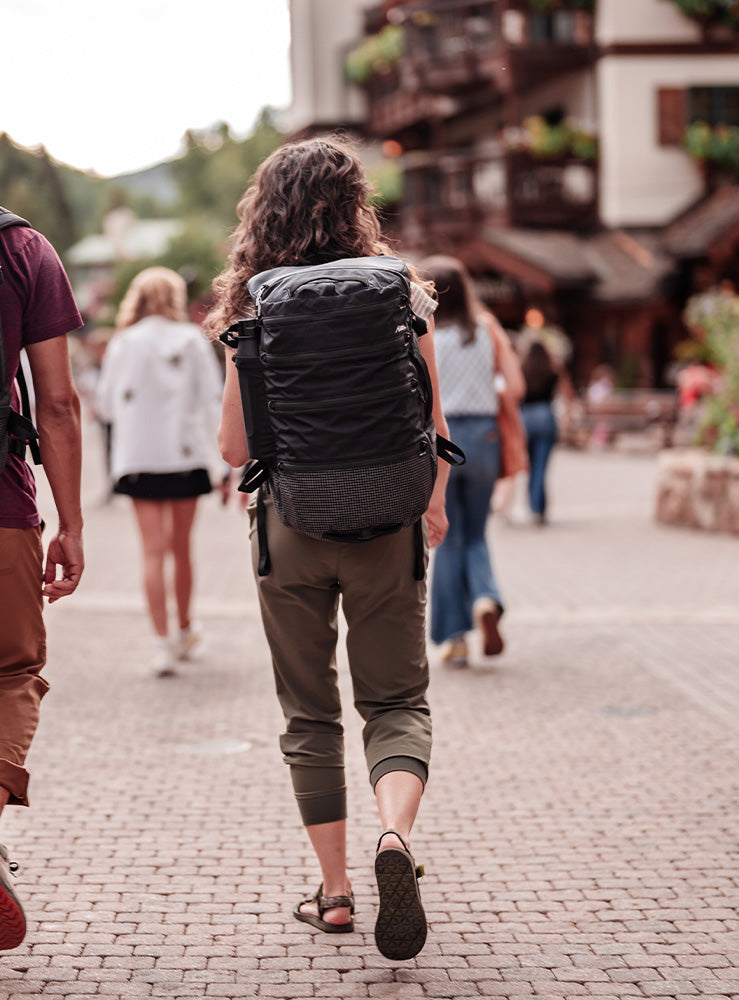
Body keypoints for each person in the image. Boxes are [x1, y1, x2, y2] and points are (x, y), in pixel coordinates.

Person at [206, 136, 451, 962]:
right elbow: (434, 423)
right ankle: (395, 838)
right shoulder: (400, 293)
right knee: (397, 704)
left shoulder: (254, 308)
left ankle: (337, 895)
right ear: (356, 206)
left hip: (290, 525)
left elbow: (237, 446)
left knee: (310, 716)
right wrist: (432, 507)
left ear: (264, 211)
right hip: (389, 519)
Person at [0, 213, 85, 951]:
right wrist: (73, 524)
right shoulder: (22, 248)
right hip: (1, 510)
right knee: (12, 671)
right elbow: (57, 402)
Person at [96, 267, 223, 677]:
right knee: (181, 549)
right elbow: (212, 401)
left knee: (151, 551)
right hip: (184, 454)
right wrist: (223, 466)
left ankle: (160, 642)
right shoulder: (190, 339)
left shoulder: (123, 342)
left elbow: (107, 405)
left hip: (138, 456)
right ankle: (185, 628)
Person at [419, 255, 525, 666]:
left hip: (442, 438)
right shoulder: (487, 330)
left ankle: (455, 637)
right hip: (484, 436)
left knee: (446, 537)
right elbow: (515, 386)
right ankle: (485, 597)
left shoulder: (424, 332)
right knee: (476, 534)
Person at [520, 339, 574, 524]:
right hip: (545, 415)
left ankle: (535, 506)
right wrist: (567, 415)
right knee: (541, 467)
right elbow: (568, 393)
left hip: (525, 417)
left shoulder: (522, 368)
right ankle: (538, 507)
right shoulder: (552, 369)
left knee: (531, 466)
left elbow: (513, 392)